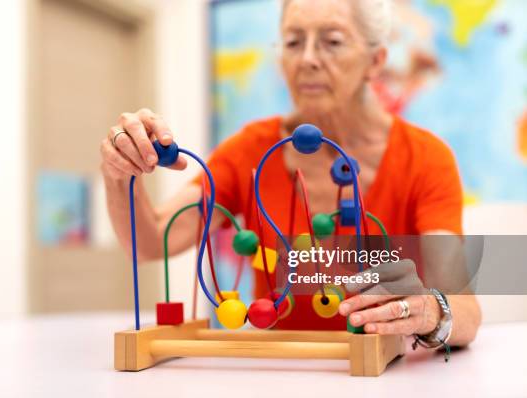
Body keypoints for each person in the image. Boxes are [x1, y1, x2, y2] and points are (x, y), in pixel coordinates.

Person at [100, 0, 481, 347]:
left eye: (332, 42)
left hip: (385, 377)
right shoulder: (248, 152)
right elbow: (151, 241)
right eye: (293, 43)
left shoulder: (425, 158)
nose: (308, 59)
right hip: (281, 372)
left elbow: (463, 309)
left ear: (375, 61)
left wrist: (432, 313)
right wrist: (120, 175)